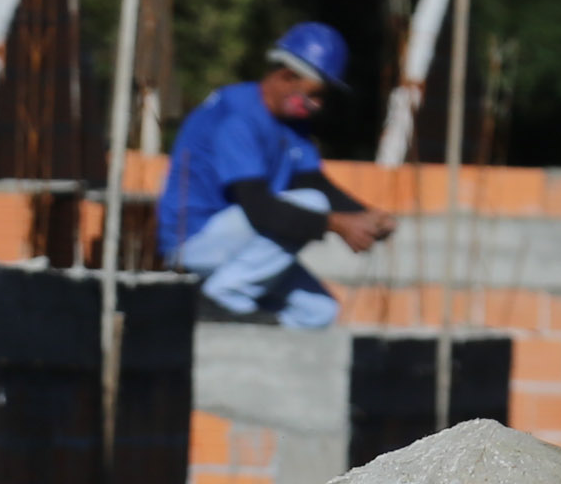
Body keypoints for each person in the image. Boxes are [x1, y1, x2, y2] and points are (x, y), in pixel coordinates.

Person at [156, 21, 400, 327]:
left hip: (242, 244)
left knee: (320, 312)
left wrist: (366, 215)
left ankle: (244, 333)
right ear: (287, 76)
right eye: (314, 95)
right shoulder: (237, 116)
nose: (318, 105)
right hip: (194, 243)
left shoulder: (291, 125)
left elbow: (311, 181)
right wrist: (337, 224)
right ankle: (222, 296)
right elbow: (259, 208)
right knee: (312, 204)